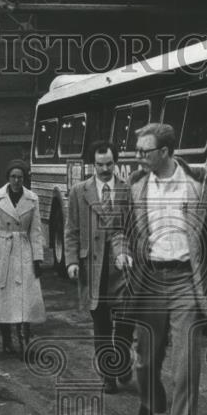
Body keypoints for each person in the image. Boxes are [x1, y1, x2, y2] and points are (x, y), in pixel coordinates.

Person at [112, 123, 207, 415]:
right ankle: (150, 403)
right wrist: (121, 251)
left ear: (164, 152)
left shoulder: (199, 184)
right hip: (149, 279)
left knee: (186, 368)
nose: (138, 157)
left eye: (144, 151)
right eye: (137, 151)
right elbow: (119, 230)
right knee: (146, 362)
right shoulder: (135, 185)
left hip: (185, 282)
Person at [65, 142, 133, 393]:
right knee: (102, 324)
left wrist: (130, 254)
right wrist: (71, 261)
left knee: (126, 323)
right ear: (93, 165)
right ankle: (108, 375)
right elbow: (71, 229)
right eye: (100, 164)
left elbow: (135, 229)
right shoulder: (79, 192)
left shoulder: (128, 191)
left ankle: (123, 359)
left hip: (122, 267)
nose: (105, 169)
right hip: (93, 268)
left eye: (109, 164)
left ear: (115, 163)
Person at [0, 159, 45, 356]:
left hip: (24, 250)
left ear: (24, 179)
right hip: (2, 250)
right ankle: (6, 339)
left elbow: (36, 230)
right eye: (13, 177)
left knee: (25, 297)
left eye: (20, 177)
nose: (17, 181)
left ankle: (24, 338)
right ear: (8, 178)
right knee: (4, 299)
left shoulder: (32, 199)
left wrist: (38, 257)